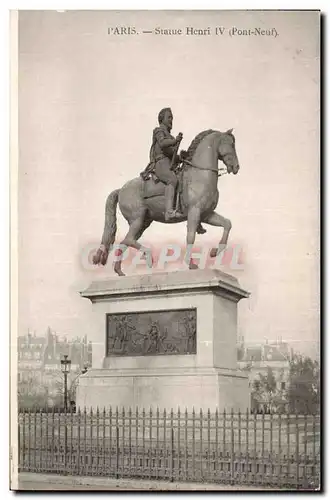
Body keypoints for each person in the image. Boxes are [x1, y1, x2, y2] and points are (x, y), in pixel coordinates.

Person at [149, 107, 183, 220]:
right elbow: (163, 144)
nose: (171, 120)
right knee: (172, 179)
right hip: (160, 163)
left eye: (172, 118)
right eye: (169, 117)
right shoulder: (158, 131)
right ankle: (168, 212)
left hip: (168, 163)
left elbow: (172, 155)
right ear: (161, 119)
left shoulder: (171, 137)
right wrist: (175, 141)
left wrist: (181, 157)